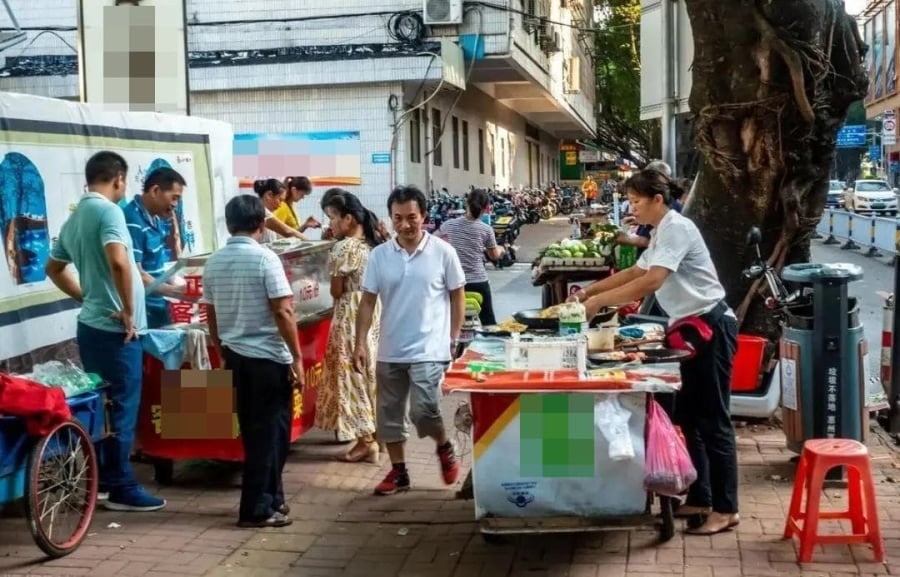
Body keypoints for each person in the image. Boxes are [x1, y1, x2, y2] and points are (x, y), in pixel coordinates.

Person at [568, 168, 739, 536]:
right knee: (691, 417)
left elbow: (651, 281)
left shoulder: (677, 227)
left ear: (657, 200)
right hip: (691, 329)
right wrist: (587, 293)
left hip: (712, 326)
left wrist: (598, 303)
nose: (632, 209)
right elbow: (633, 275)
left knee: (714, 420)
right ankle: (700, 496)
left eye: (635, 201)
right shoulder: (662, 232)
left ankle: (727, 508)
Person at [45, 151, 165, 512]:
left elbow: (53, 268)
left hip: (93, 326)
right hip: (117, 332)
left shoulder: (76, 216)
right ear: (118, 180)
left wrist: (88, 297)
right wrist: (129, 310)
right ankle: (121, 487)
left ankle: (101, 482)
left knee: (103, 407)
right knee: (122, 408)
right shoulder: (109, 211)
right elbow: (117, 259)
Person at [353, 185, 465, 496]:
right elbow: (367, 301)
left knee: (424, 410)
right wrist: (360, 342)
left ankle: (444, 445)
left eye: (411, 217)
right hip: (390, 347)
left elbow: (458, 295)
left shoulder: (443, 252)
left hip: (430, 347)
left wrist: (453, 337)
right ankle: (398, 472)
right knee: (388, 415)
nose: (405, 224)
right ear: (389, 219)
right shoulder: (379, 256)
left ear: (424, 216)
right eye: (397, 218)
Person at [202, 194, 305, 528]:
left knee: (263, 431)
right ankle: (255, 509)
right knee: (268, 434)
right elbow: (283, 310)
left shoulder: (214, 261)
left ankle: (273, 496)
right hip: (267, 359)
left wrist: (220, 349)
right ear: (262, 224)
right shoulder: (265, 259)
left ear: (229, 224)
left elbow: (211, 312)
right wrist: (297, 358)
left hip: (236, 357)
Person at [317, 190, 384, 462]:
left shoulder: (343, 248)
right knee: (368, 374)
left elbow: (336, 290)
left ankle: (365, 441)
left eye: (332, 217)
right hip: (373, 312)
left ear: (348, 218)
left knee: (350, 376)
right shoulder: (373, 244)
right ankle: (374, 437)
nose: (330, 224)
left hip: (350, 314)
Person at [123, 167, 189, 328]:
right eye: (174, 198)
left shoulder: (156, 219)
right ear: (155, 190)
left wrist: (179, 283)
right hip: (144, 311)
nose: (175, 204)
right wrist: (175, 292)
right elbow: (137, 274)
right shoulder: (132, 220)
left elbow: (156, 266)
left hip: (159, 305)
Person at [436, 188, 504, 326]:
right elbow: (494, 255)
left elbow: (432, 239)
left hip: (454, 283)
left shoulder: (449, 225)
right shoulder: (486, 230)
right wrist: (502, 250)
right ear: (486, 208)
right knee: (489, 323)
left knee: (446, 322)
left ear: (466, 204)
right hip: (479, 282)